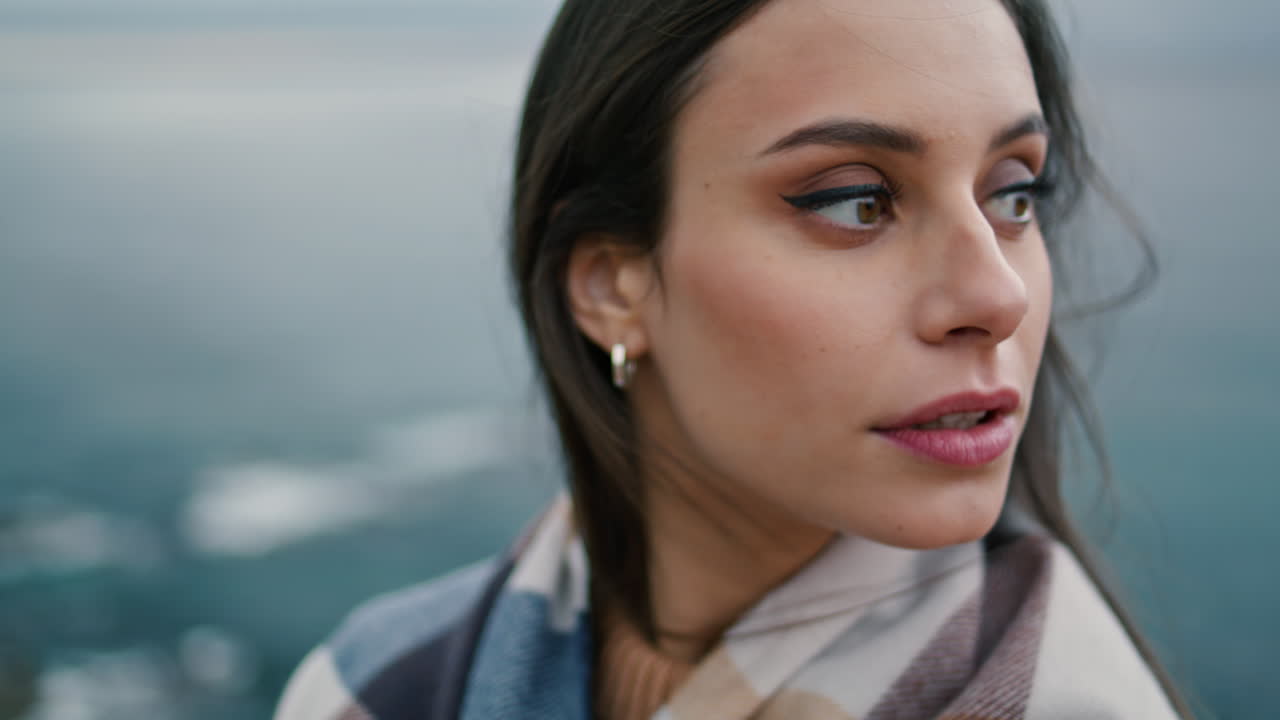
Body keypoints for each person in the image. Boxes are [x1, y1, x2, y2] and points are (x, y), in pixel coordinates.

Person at [274, 0, 1194, 718]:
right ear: (611, 284)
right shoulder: (374, 686)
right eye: (854, 202)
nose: (1000, 296)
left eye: (1015, 194)